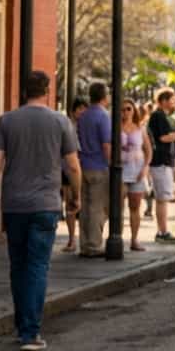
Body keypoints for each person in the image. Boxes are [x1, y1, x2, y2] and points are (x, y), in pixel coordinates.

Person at [0, 71, 82, 351]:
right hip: (46, 205)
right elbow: (73, 166)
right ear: (48, 91)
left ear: (23, 92)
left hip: (15, 205)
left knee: (18, 266)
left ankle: (22, 326)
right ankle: (30, 333)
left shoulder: (7, 120)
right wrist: (76, 196)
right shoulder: (60, 121)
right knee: (38, 266)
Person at [146, 88, 175, 243]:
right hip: (160, 161)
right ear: (163, 101)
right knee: (162, 198)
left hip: (163, 161)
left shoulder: (162, 116)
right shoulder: (158, 116)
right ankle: (162, 232)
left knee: (162, 198)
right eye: (172, 100)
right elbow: (163, 138)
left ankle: (162, 230)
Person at [75, 82, 112, 258]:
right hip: (99, 166)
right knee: (98, 208)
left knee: (85, 208)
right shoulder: (103, 116)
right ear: (104, 96)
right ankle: (95, 245)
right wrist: (111, 162)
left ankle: (84, 244)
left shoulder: (83, 116)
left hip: (83, 166)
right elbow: (106, 144)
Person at [119, 99, 152, 252]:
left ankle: (134, 240)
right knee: (118, 207)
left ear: (134, 111)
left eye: (128, 109)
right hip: (120, 172)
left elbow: (148, 150)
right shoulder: (115, 128)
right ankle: (117, 237)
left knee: (135, 207)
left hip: (137, 171)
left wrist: (145, 168)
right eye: (122, 109)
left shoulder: (140, 128)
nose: (125, 112)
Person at [63, 98, 87, 251]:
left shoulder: (86, 127)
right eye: (80, 109)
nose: (82, 112)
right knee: (70, 203)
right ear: (73, 110)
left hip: (84, 167)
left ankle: (83, 238)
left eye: (85, 109)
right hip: (68, 169)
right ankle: (72, 239)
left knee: (83, 204)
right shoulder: (68, 126)